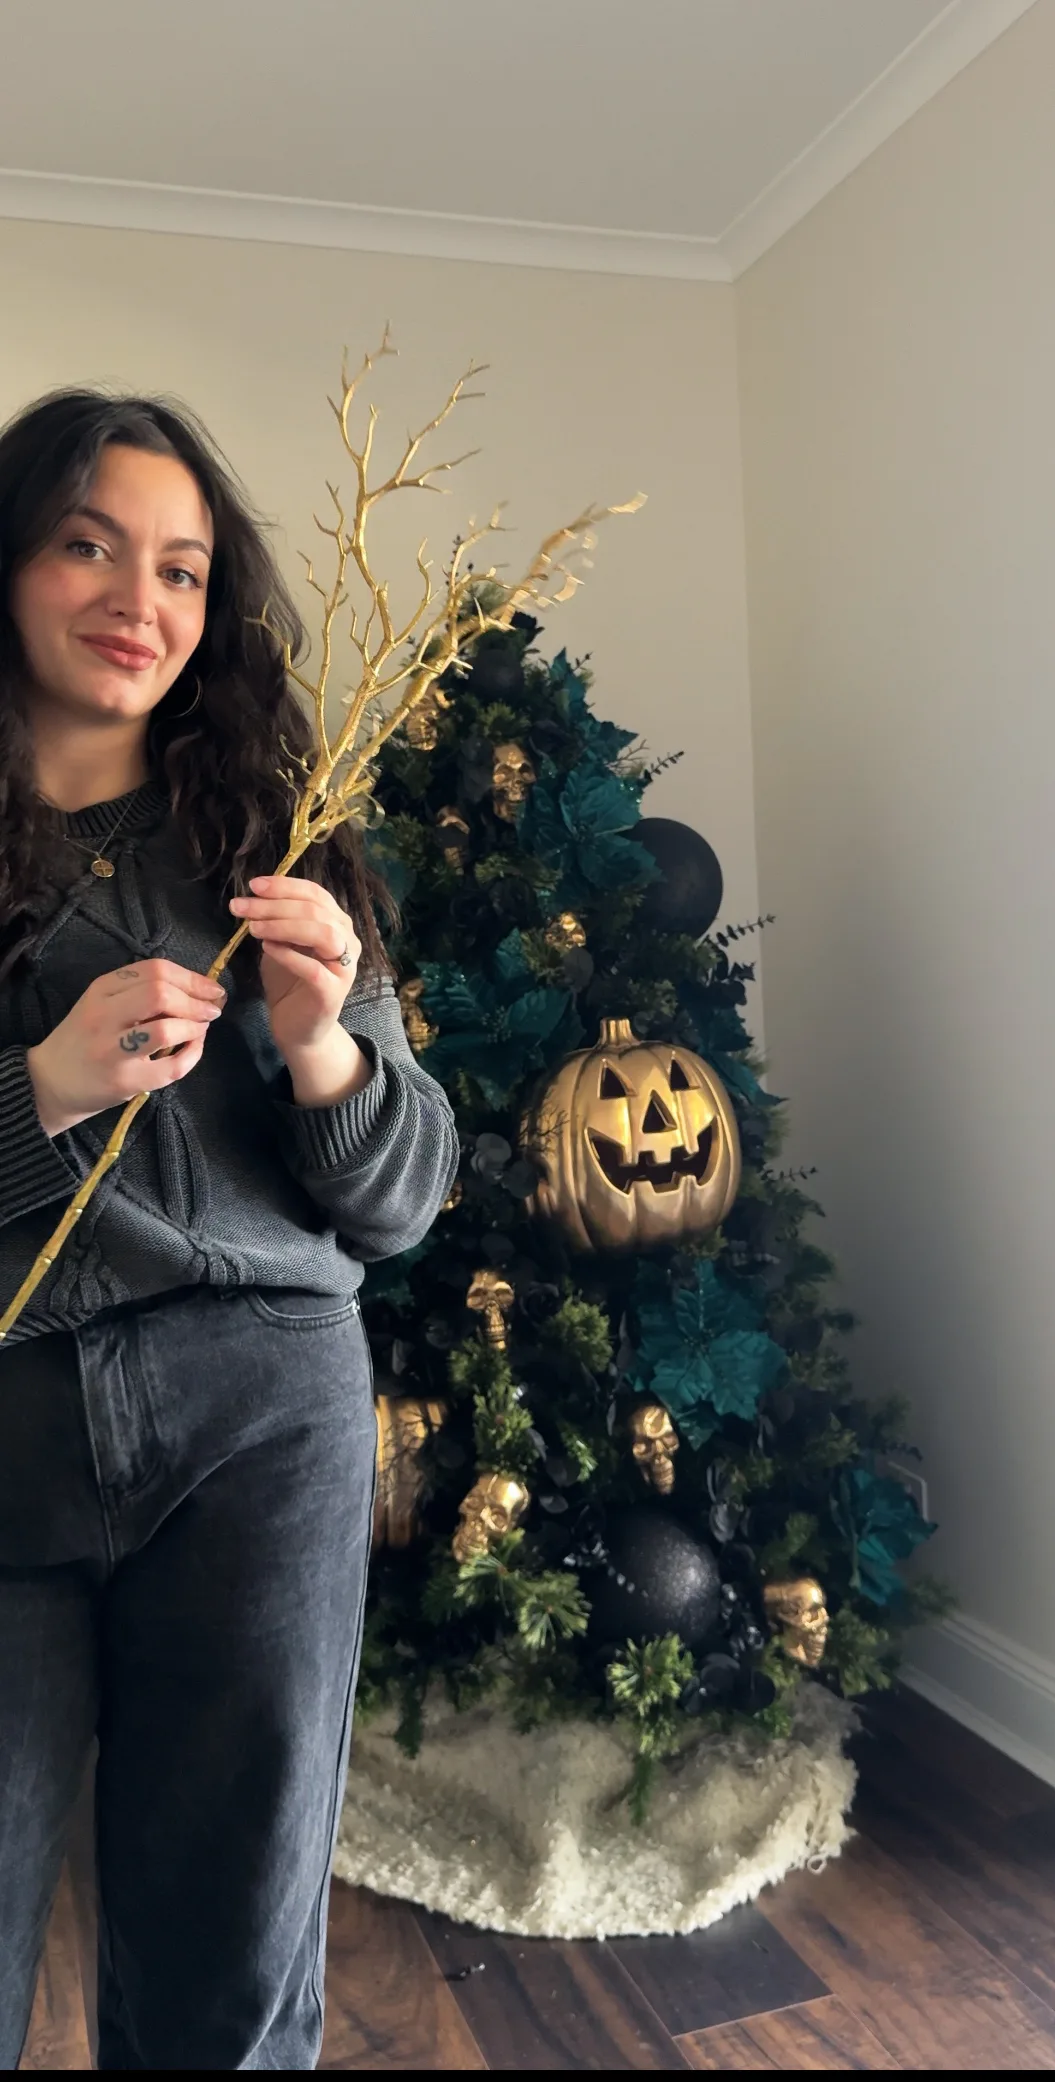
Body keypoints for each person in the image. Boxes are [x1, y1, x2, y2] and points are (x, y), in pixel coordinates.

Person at [0, 389, 458, 2069]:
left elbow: (405, 1195)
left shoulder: (281, 841)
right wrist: (44, 1080)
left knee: (233, 1969)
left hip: (264, 1429)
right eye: (86, 543)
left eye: (183, 569)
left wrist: (328, 1041)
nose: (140, 599)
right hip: (12, 1429)